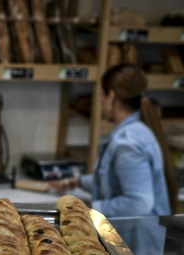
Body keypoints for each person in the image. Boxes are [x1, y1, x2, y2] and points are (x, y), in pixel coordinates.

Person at [50, 63, 177, 217]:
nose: (100, 101)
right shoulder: (136, 130)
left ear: (111, 96)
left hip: (135, 238)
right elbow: (112, 180)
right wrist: (76, 182)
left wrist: (86, 208)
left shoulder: (128, 142)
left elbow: (139, 203)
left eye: (101, 95)